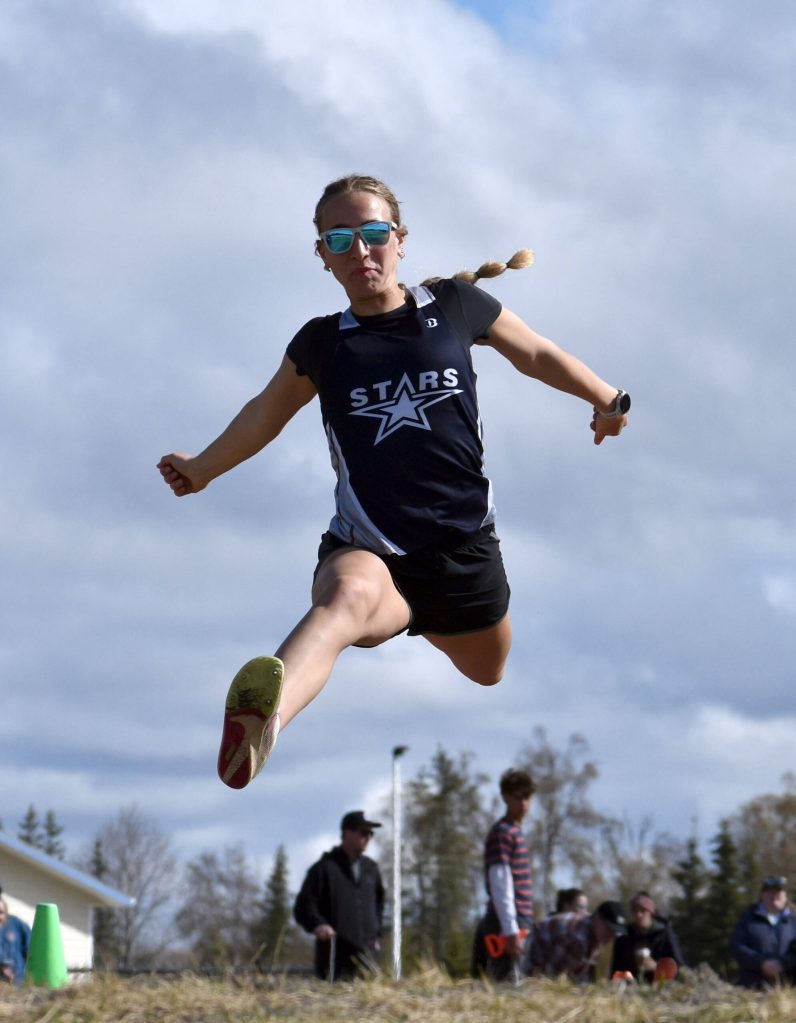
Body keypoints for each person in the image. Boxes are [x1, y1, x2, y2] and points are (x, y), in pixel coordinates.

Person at [158, 174, 631, 789]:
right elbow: (263, 414)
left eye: (374, 234)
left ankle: (417, 617)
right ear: (323, 257)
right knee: (343, 601)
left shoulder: (454, 308)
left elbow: (536, 352)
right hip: (370, 545)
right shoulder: (322, 344)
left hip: (462, 550)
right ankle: (265, 720)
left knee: (489, 670)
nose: (360, 250)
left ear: (400, 241)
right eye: (340, 239)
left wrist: (607, 399)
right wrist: (202, 469)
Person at [293, 810, 385, 980]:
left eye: (370, 833)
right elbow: (303, 907)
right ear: (347, 833)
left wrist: (376, 934)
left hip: (368, 961)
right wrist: (318, 925)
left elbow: (379, 904)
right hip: (335, 961)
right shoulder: (324, 869)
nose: (368, 838)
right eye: (363, 832)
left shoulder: (371, 870)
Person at [471, 768, 535, 980]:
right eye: (519, 797)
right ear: (506, 798)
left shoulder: (515, 831)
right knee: (508, 985)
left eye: (528, 797)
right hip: (507, 921)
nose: (524, 803)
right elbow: (500, 883)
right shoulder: (503, 833)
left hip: (519, 918)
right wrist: (510, 929)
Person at [529, 900, 627, 982]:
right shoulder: (578, 938)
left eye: (615, 932)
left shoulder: (593, 932)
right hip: (528, 951)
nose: (611, 936)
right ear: (597, 918)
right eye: (608, 929)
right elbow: (554, 976)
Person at [731, 875, 796, 989]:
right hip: (751, 991)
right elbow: (737, 946)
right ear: (762, 895)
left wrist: (782, 964)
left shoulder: (793, 921)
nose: (774, 895)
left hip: (787, 992)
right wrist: (761, 964)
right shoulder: (748, 919)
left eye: (778, 892)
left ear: (785, 896)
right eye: (769, 891)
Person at [610, 890, 683, 982]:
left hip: (660, 988)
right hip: (630, 988)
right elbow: (616, 970)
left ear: (650, 912)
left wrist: (656, 967)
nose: (638, 915)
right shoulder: (625, 936)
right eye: (634, 910)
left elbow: (678, 967)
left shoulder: (664, 934)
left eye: (642, 910)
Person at [0, 896, 31, 986]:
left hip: (19, 982)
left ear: (6, 912)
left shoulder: (16, 925)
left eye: (1, 912)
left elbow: (32, 948)